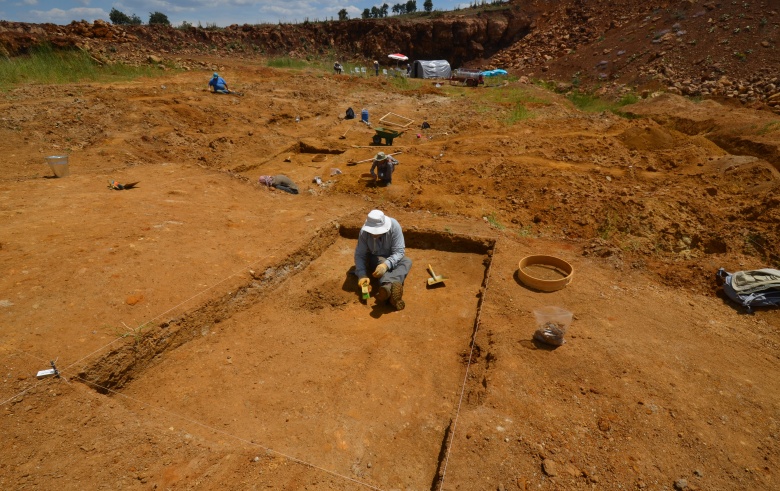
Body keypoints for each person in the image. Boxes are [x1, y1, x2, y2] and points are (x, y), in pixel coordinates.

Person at [354, 210, 412, 310]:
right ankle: (389, 287)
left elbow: (399, 252)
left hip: (392, 257)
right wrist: (362, 275)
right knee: (380, 260)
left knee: (407, 262)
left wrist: (386, 265)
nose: (374, 234)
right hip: (374, 258)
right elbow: (360, 255)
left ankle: (388, 288)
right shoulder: (364, 232)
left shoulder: (394, 226)